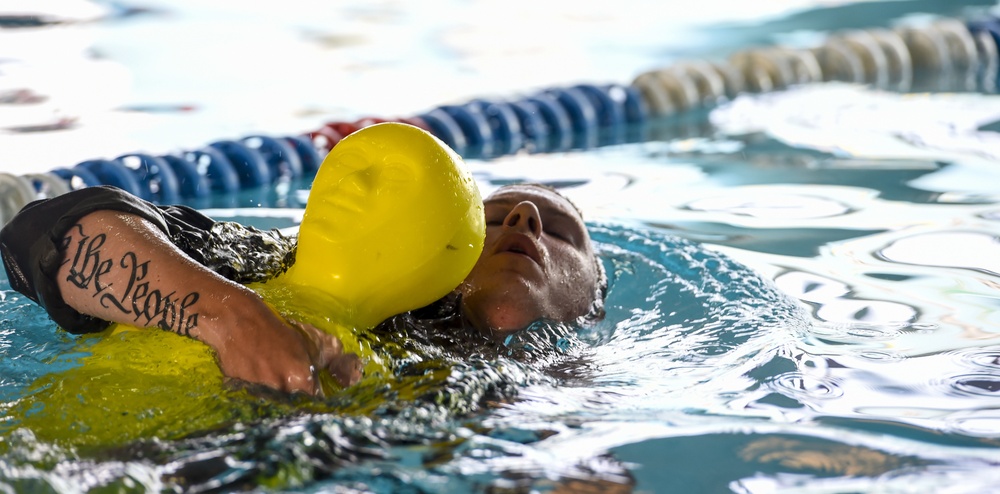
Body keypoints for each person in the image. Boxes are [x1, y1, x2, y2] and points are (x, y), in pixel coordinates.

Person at [0, 183, 606, 397]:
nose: (524, 218)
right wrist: (236, 319)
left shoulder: (570, 398)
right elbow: (37, 234)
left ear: (593, 296)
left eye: (556, 229)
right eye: (495, 217)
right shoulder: (290, 267)